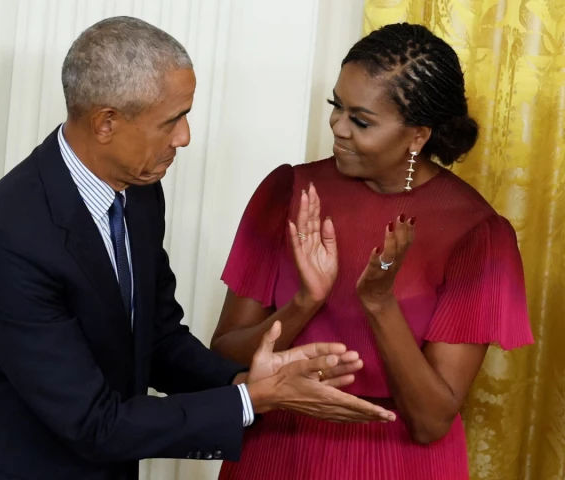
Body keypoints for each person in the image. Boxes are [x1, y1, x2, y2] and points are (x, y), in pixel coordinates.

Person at [0, 17, 397, 480]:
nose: (184, 137)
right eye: (172, 120)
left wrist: (245, 380)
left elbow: (157, 339)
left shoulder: (140, 190)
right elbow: (94, 423)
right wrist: (253, 400)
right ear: (106, 123)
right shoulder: (8, 241)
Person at [211, 22, 534, 480]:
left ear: (417, 136)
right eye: (335, 107)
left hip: (398, 460)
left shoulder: (477, 234)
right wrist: (306, 302)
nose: (338, 128)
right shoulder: (289, 192)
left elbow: (430, 421)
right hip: (278, 451)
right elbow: (222, 359)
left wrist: (380, 303)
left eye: (360, 121)